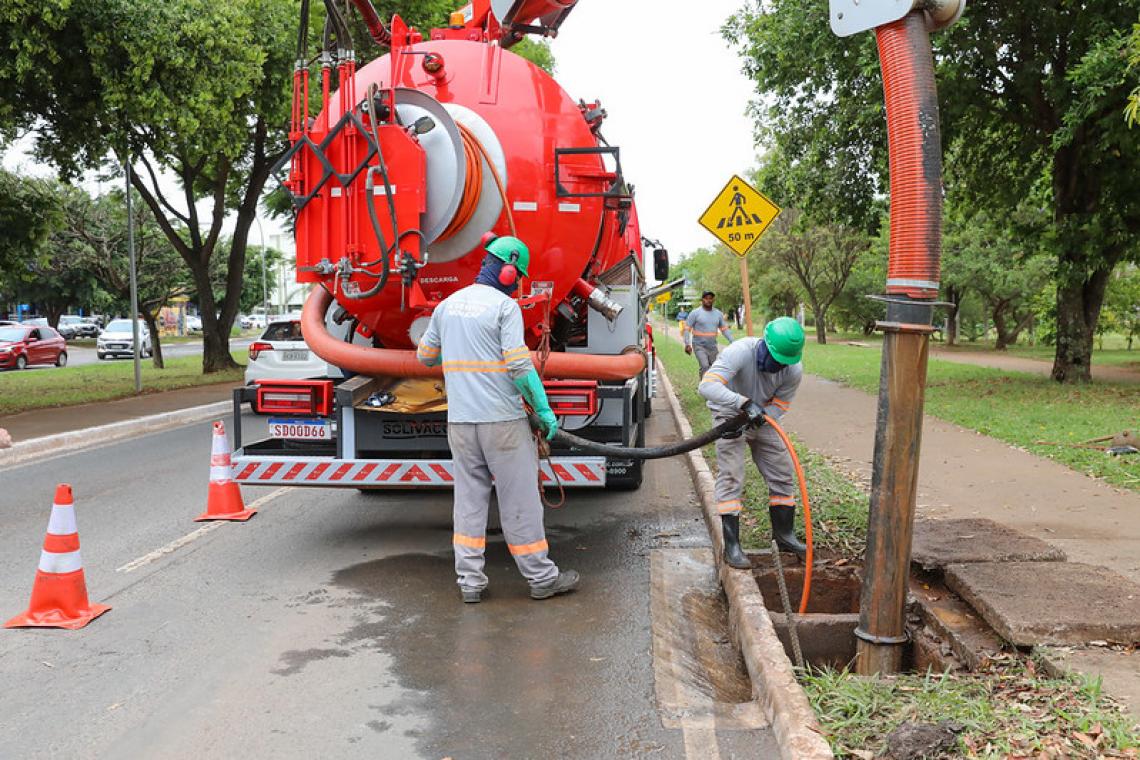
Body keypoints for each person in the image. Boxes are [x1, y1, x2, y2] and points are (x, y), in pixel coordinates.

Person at [417, 234, 580, 604]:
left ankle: (470, 584)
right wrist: (542, 409)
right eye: (518, 275)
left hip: (460, 424)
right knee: (520, 500)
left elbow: (425, 357)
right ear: (508, 272)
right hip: (502, 424)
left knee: (469, 502)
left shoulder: (447, 307)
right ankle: (541, 578)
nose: (518, 282)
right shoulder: (505, 309)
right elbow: (520, 365)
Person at [698, 317, 807, 569]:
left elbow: (781, 404)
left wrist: (765, 416)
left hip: (764, 420)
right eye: (776, 358)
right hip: (729, 414)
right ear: (765, 345)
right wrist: (744, 404)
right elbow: (707, 386)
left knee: (782, 473)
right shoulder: (739, 352)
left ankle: (784, 535)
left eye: (785, 361)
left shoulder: (793, 369)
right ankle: (732, 546)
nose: (779, 365)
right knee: (732, 475)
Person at [684, 291, 734, 379]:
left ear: (713, 300)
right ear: (702, 300)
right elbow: (687, 329)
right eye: (706, 298)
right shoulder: (695, 313)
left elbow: (724, 329)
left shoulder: (718, 314)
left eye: (710, 298)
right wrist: (687, 344)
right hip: (699, 346)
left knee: (714, 368)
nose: (708, 300)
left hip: (712, 347)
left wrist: (733, 342)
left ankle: (711, 387)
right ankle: (704, 388)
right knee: (705, 366)